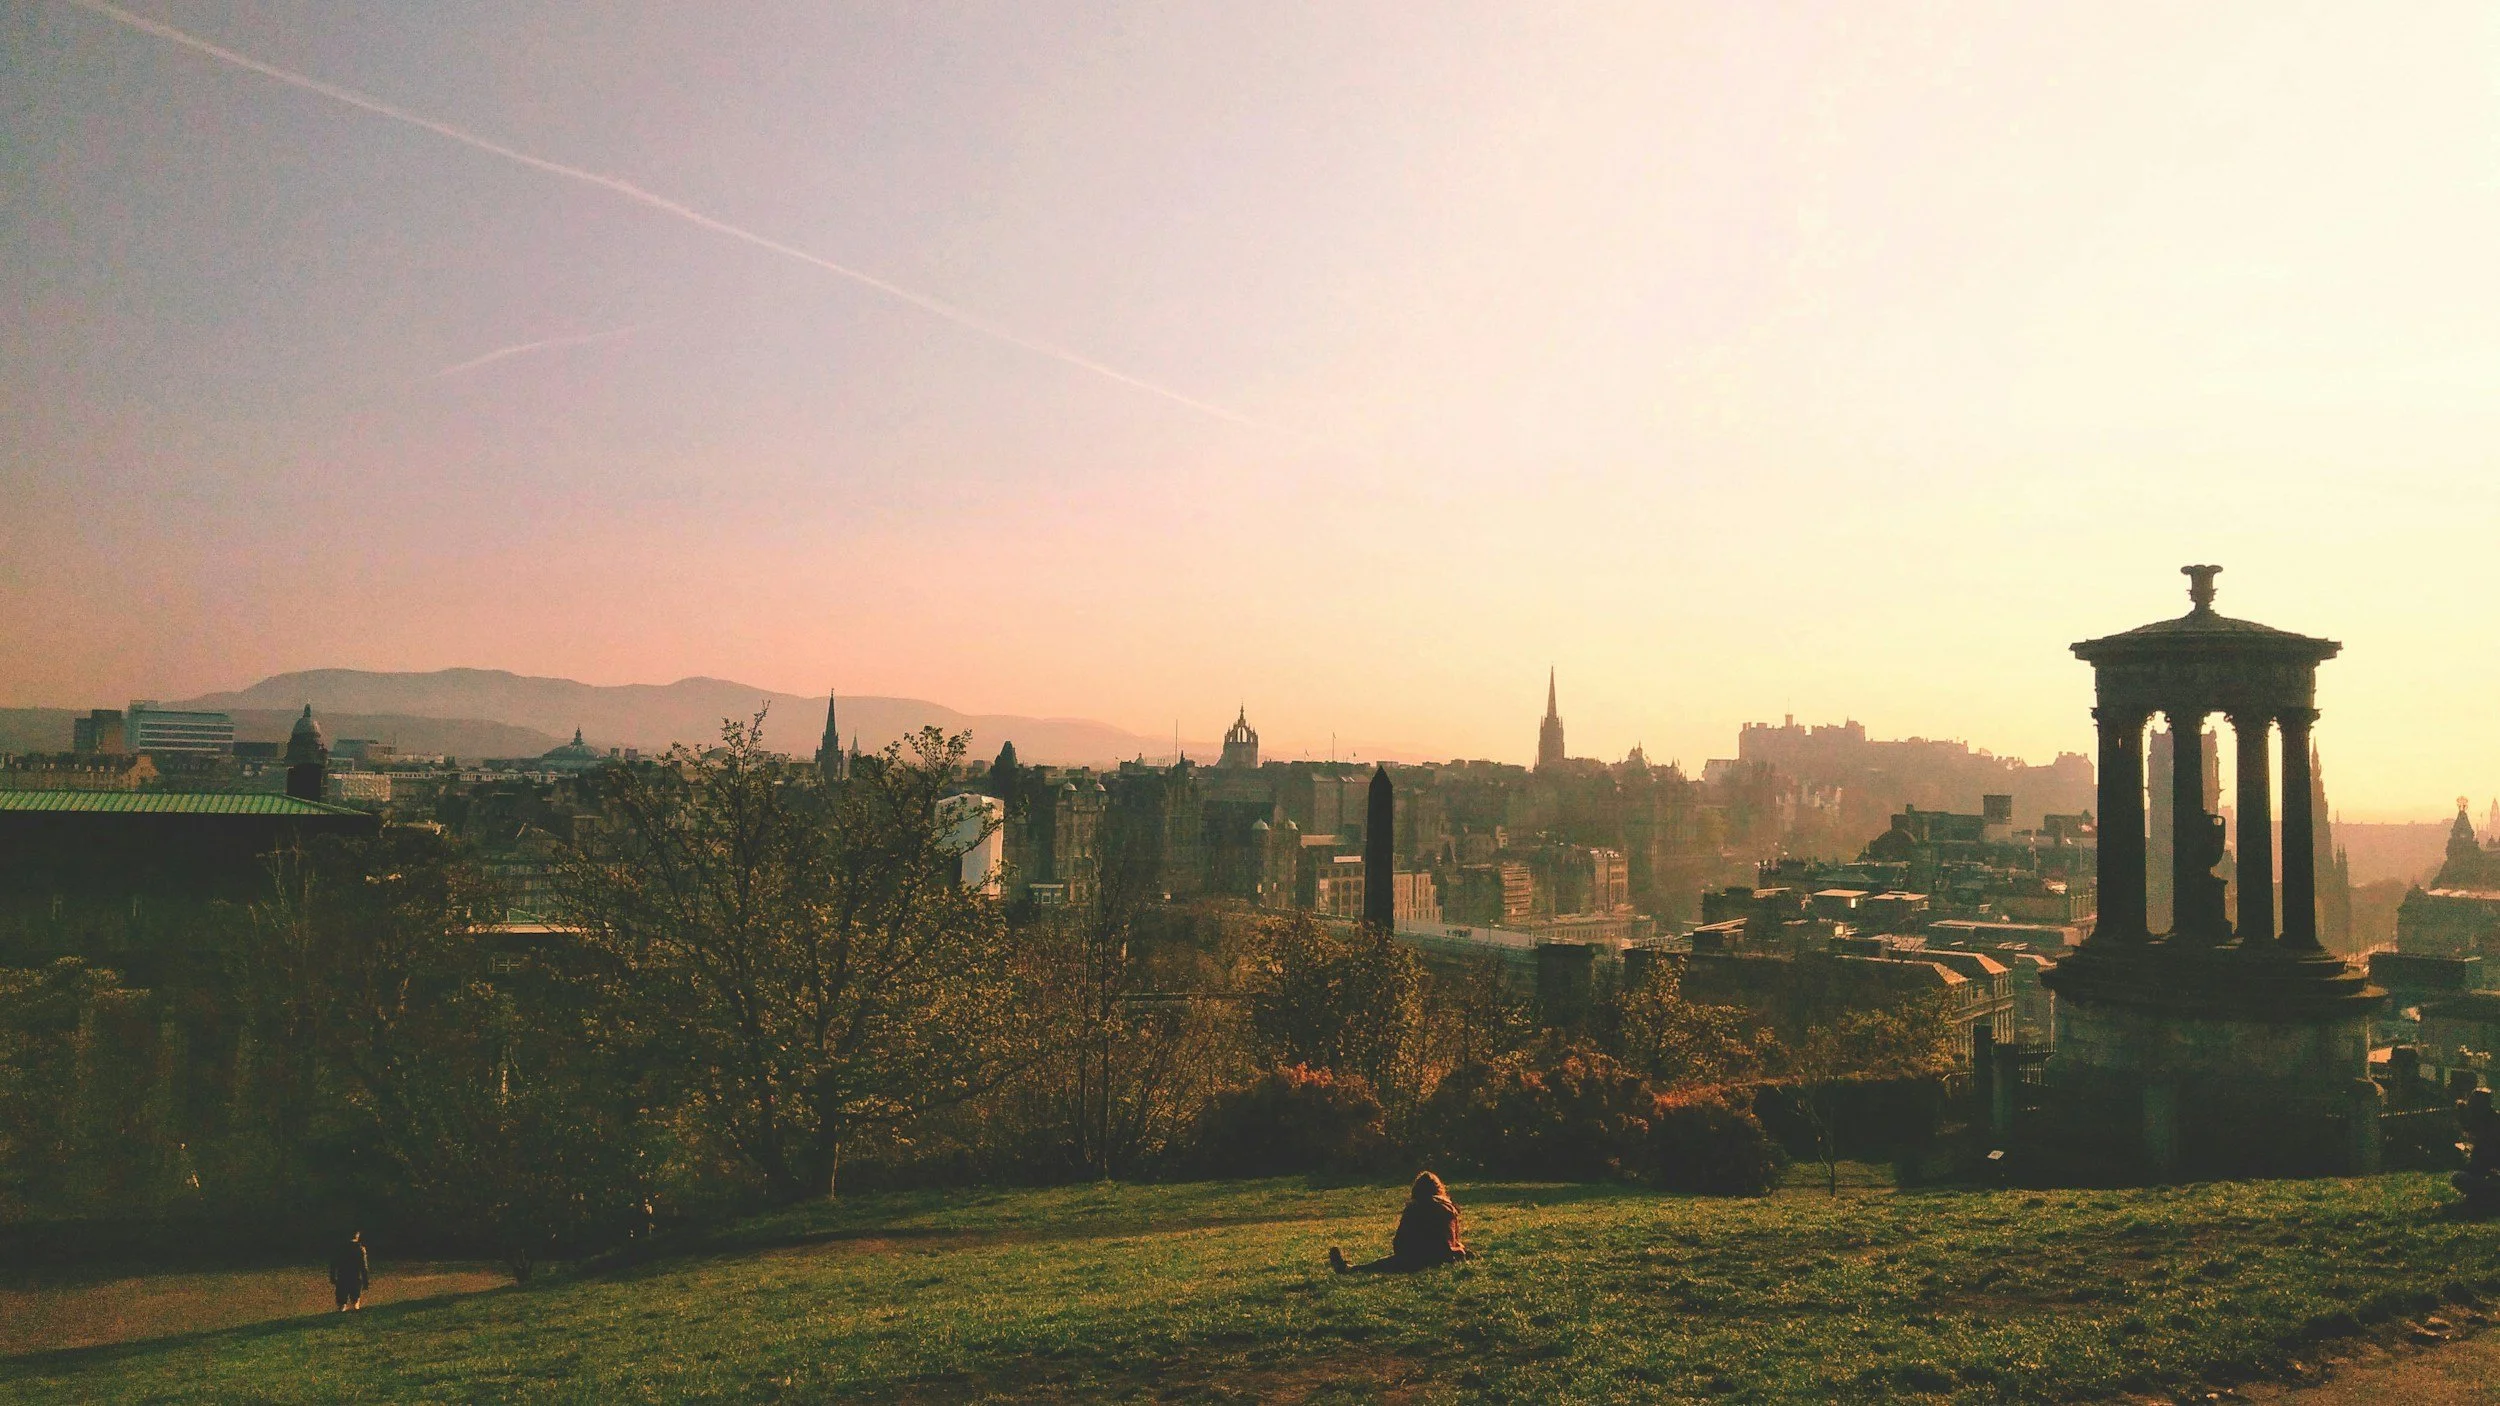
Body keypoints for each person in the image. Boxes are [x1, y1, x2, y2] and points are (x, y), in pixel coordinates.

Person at [1328, 1172, 1470, 1274]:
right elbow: (1453, 1239)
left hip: (1421, 1259)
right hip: (1449, 1257)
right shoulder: (1450, 1207)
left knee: (1383, 1264)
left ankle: (1350, 1269)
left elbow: (1400, 1242)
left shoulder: (1414, 1207)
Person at [2455, 1089, 2500, 1208]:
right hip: (2489, 1172)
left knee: (2459, 1178)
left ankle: (2487, 1196)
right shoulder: (2490, 1120)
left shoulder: (2491, 1126)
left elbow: (2480, 1162)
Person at [329, 1230, 370, 1311]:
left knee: (342, 1303)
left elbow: (333, 1264)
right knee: (355, 1303)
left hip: (342, 1278)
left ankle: (341, 1312)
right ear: (357, 1235)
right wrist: (366, 1281)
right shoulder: (360, 1249)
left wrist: (332, 1277)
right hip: (355, 1278)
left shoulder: (340, 1248)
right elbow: (364, 1267)